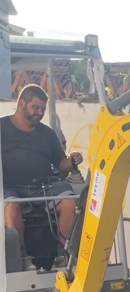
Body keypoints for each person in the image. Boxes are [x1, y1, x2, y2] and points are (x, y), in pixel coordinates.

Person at [1, 84, 82, 270]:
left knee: (70, 201)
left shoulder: (47, 133)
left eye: (42, 109)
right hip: (10, 186)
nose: (39, 112)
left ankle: (64, 255)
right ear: (22, 103)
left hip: (43, 187)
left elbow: (61, 163)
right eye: (35, 107)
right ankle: (23, 257)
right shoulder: (2, 127)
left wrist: (73, 161)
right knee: (10, 205)